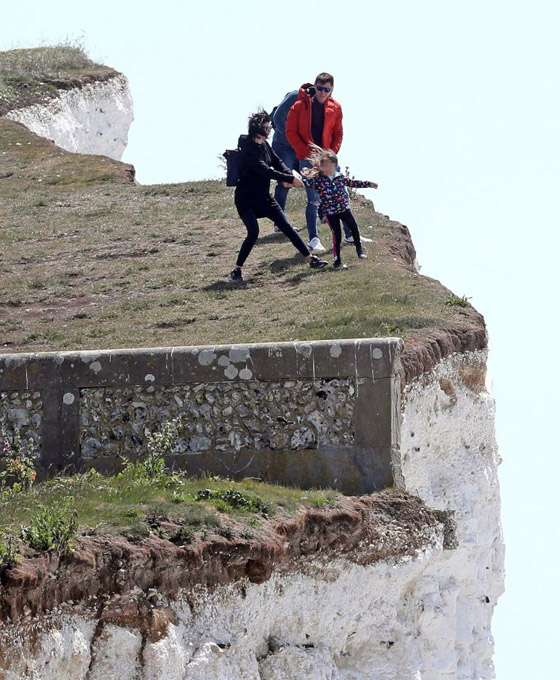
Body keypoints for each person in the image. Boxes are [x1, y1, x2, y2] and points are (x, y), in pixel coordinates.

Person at [230, 111, 328, 283]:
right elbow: (264, 170)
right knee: (253, 232)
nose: (268, 131)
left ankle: (310, 259)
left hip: (264, 198)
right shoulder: (248, 148)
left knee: (287, 226)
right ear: (258, 130)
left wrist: (288, 173)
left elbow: (277, 162)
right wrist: (290, 179)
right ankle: (237, 269)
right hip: (246, 199)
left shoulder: (265, 146)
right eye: (266, 128)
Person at [285, 72, 373, 251]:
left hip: (328, 159)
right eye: (320, 88)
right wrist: (305, 152)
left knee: (342, 195)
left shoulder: (336, 107)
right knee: (313, 199)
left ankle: (349, 235)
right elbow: (290, 132)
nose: (323, 92)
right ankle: (314, 239)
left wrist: (331, 152)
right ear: (314, 87)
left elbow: (338, 132)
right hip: (308, 159)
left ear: (331, 90)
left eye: (327, 89)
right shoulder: (299, 106)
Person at [301, 145, 378, 269]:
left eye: (330, 166)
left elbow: (353, 183)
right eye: (325, 166)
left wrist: (369, 184)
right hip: (330, 213)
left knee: (354, 227)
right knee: (337, 235)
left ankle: (360, 250)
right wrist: (292, 181)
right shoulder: (318, 180)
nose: (327, 168)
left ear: (334, 166)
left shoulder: (340, 177)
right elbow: (303, 183)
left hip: (344, 209)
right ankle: (337, 262)